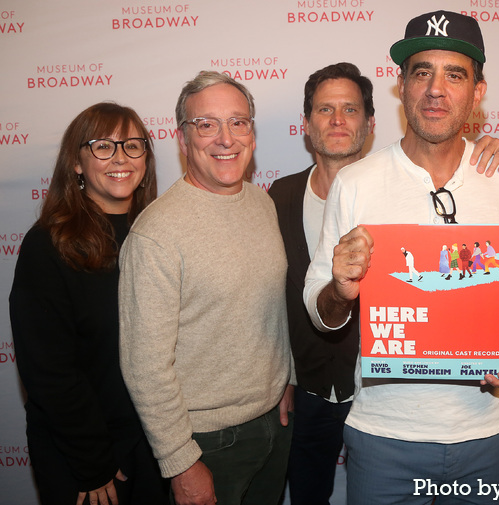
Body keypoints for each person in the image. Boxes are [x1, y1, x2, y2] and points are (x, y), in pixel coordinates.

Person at [303, 11, 499, 504]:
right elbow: (320, 307)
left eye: (455, 75)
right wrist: (340, 291)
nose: (436, 89)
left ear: (477, 92)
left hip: (489, 432)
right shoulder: (356, 182)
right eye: (421, 72)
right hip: (384, 435)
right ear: (401, 86)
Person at [119, 71, 293, 505]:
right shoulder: (156, 234)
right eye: (207, 124)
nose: (225, 138)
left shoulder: (261, 203)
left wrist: (286, 376)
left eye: (238, 122)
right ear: (182, 139)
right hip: (206, 444)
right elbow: (145, 366)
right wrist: (180, 460)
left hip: (275, 422)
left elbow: (271, 304)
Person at [9, 102, 168, 505]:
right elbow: (49, 372)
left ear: (146, 160)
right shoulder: (47, 245)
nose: (120, 158)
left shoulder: (159, 235)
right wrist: (92, 460)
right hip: (84, 456)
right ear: (77, 162)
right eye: (103, 146)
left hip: (155, 442)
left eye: (133, 145)